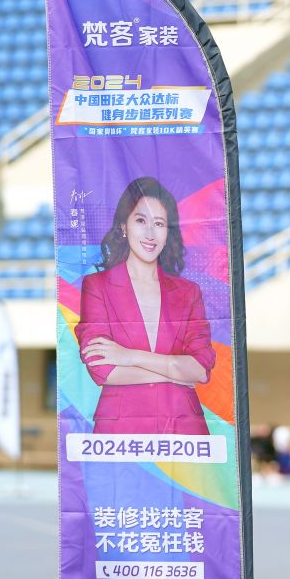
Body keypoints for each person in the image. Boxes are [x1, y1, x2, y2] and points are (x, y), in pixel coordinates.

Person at [75, 177, 215, 435]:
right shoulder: (97, 286)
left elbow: (199, 369)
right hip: (121, 431)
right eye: (141, 220)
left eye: (159, 224)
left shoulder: (189, 293)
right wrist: (173, 374)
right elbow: (102, 369)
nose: (150, 233)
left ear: (168, 233)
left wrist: (130, 357)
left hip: (183, 431)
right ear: (124, 226)